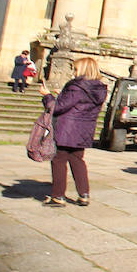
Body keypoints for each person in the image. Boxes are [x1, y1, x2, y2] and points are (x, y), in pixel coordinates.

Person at [38, 56, 107, 206]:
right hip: (84, 130)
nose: (73, 73)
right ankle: (84, 194)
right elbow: (81, 104)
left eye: (75, 69)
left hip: (67, 129)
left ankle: (58, 196)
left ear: (82, 69)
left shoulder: (76, 86)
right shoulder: (100, 88)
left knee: (59, 160)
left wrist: (47, 95)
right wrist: (63, 94)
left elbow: (58, 107)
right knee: (77, 160)